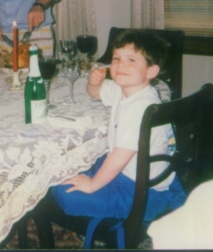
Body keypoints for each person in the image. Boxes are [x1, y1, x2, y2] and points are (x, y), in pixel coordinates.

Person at [51, 29, 186, 232]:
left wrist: (92, 185)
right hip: (136, 175)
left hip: (143, 193)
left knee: (62, 193)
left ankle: (139, 212)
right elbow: (96, 93)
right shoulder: (128, 89)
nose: (120, 64)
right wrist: (94, 82)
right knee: (71, 167)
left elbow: (120, 156)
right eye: (116, 58)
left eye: (131, 60)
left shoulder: (140, 107)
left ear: (151, 71)